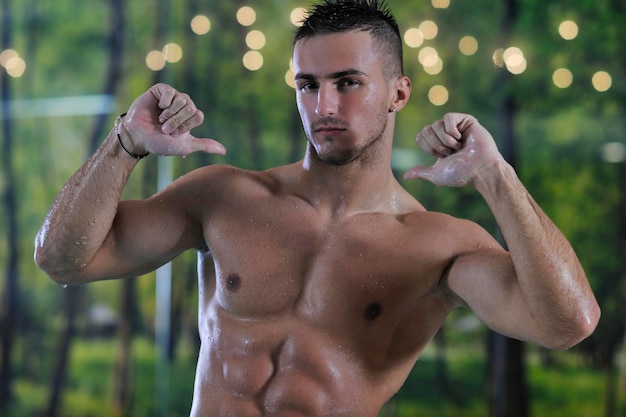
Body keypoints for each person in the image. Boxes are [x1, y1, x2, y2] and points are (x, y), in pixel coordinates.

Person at [35, 0, 600, 416]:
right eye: (308, 85)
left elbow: (567, 324)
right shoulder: (223, 197)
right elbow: (64, 260)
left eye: (348, 82)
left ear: (399, 93)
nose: (323, 106)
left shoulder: (437, 246)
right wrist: (126, 143)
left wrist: (496, 178)